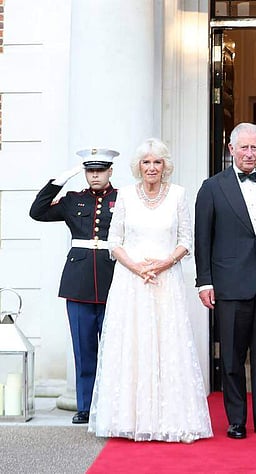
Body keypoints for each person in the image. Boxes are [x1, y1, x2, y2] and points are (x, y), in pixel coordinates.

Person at [88, 138, 212, 443]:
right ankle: (128, 419)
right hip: (131, 283)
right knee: (132, 344)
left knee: (167, 346)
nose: (152, 168)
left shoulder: (179, 194)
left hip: (166, 281)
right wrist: (137, 267)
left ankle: (169, 419)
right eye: (146, 162)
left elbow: (186, 240)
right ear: (138, 166)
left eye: (157, 162)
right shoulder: (125, 196)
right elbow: (114, 241)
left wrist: (163, 263)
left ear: (165, 165)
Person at [194, 123, 256, 440]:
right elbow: (202, 240)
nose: (249, 153)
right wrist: (204, 282)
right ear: (231, 149)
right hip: (229, 284)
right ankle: (236, 420)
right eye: (244, 148)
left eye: (254, 148)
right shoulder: (212, 188)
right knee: (233, 358)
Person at [29, 149, 119, 424]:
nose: (95, 175)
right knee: (84, 348)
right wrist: (62, 179)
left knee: (115, 350)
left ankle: (113, 406)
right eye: (90, 170)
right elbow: (37, 212)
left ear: (110, 171)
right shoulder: (72, 200)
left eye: (100, 170)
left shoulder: (123, 199)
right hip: (78, 282)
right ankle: (86, 406)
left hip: (115, 280)